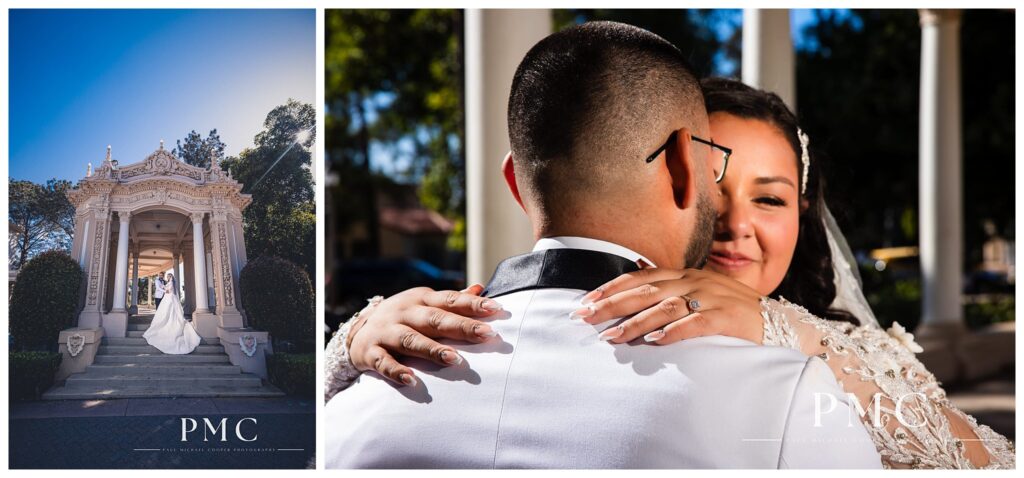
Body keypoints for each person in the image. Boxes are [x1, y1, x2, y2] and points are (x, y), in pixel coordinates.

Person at [326, 75, 1015, 469]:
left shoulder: (864, 357)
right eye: (713, 190)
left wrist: (791, 332)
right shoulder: (556, 318)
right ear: (676, 185)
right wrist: (350, 345)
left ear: (804, 215)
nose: (736, 223)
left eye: (770, 198)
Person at [143, 272, 201, 354]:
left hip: (168, 298)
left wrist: (164, 289)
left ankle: (168, 322)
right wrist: (164, 287)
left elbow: (169, 290)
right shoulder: (166, 282)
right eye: (167, 276)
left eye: (169, 276)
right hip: (166, 297)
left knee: (168, 310)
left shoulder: (170, 283)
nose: (168, 277)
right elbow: (163, 288)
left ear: (171, 277)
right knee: (164, 311)